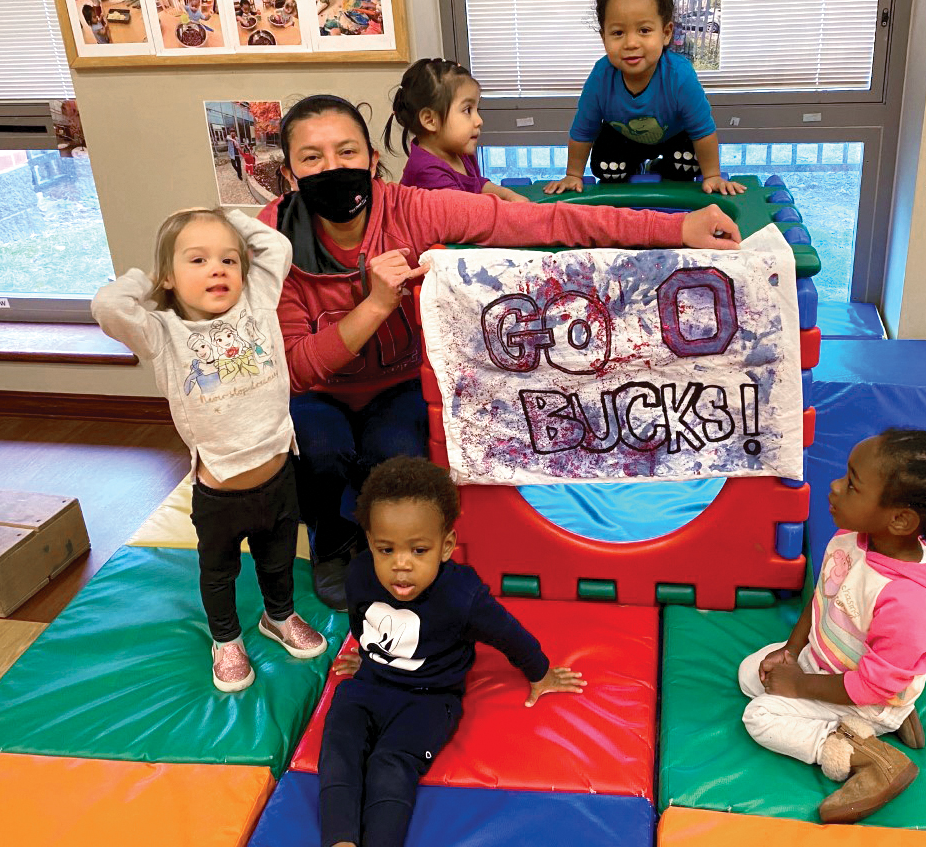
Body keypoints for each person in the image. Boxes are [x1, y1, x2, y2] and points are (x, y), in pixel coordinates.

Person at [256, 94, 741, 609]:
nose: (332, 168)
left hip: (397, 384)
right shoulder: (273, 238)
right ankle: (332, 540)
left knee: (396, 460)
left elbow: (546, 224)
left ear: (373, 162)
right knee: (319, 450)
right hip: (319, 393)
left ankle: (376, 522)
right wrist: (375, 305)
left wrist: (672, 229)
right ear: (290, 173)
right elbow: (298, 370)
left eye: (347, 152)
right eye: (312, 158)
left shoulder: (412, 209)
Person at [91, 207, 328, 691]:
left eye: (228, 260)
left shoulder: (258, 304)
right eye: (197, 260)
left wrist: (228, 217)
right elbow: (109, 307)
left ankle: (278, 616)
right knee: (218, 573)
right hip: (220, 492)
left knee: (278, 560)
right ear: (170, 279)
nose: (217, 268)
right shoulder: (161, 332)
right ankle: (226, 638)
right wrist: (147, 277)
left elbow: (276, 248)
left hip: (279, 475)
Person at [320, 456, 585, 847]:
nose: (401, 566)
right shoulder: (360, 574)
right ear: (370, 544)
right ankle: (339, 840)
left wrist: (540, 672)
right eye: (386, 550)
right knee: (339, 748)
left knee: (390, 764)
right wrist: (368, 653)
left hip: (429, 701)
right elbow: (364, 621)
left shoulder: (462, 597)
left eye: (418, 550)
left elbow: (509, 634)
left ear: (445, 547)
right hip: (369, 684)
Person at [737, 428, 926, 824]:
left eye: (852, 485)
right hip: (828, 663)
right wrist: (791, 652)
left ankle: (867, 754)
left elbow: (871, 685)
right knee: (750, 675)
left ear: (899, 519)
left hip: (869, 695)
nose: (835, 486)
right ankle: (890, 714)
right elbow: (822, 602)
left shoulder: (906, 602)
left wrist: (797, 685)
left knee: (759, 717)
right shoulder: (852, 538)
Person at [544, 0, 745, 196]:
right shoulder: (601, 76)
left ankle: (660, 166)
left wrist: (712, 176)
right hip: (622, 140)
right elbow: (583, 130)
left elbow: (702, 130)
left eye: (644, 31)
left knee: (688, 164)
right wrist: (573, 175)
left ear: (666, 33)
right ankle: (635, 165)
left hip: (674, 138)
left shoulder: (679, 75)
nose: (631, 43)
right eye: (618, 33)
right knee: (608, 170)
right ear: (603, 37)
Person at [386, 58, 527, 201]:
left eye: (477, 109)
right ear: (430, 120)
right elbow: (468, 214)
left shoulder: (458, 151)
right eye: (467, 110)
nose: (479, 121)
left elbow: (477, 184)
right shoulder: (428, 174)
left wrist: (509, 195)